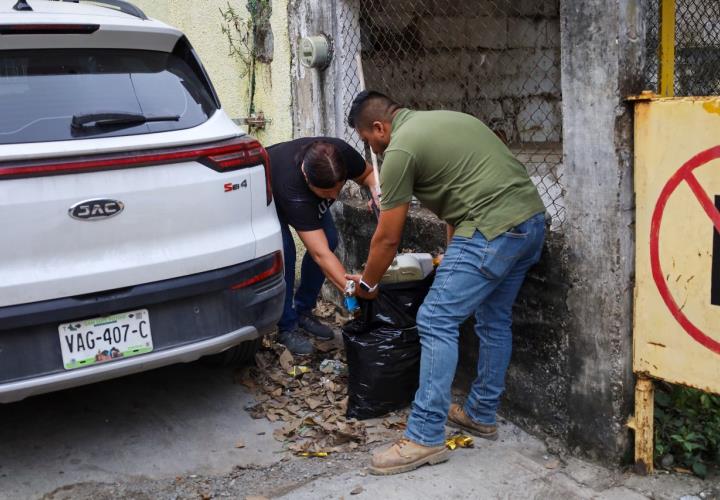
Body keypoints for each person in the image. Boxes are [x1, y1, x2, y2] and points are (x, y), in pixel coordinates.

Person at [346, 91, 546, 475]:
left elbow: (388, 237)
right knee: (493, 318)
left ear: (378, 127)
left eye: (368, 140)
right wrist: (452, 257)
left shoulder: (400, 150)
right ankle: (481, 413)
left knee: (435, 318)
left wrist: (369, 284)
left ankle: (424, 436)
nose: (370, 148)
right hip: (530, 223)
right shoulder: (449, 117)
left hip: (491, 231)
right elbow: (457, 200)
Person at [267, 137, 379, 354]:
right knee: (285, 253)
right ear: (308, 179)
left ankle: (303, 311)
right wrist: (354, 291)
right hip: (269, 196)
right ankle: (287, 326)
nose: (334, 197)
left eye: (338, 189)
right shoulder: (293, 189)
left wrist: (377, 195)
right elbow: (320, 255)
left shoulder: (341, 155)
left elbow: (368, 175)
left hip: (299, 193)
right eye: (327, 193)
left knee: (329, 239)